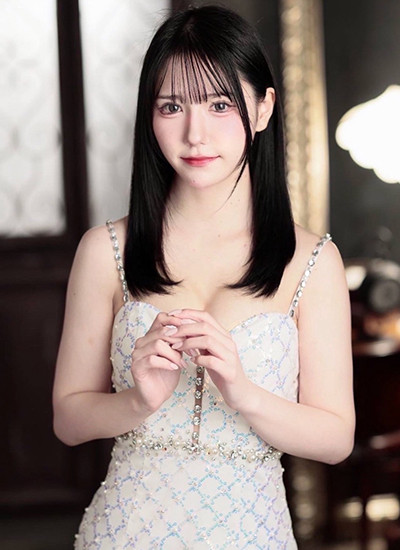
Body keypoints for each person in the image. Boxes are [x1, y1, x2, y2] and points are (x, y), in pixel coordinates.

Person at [53, 5, 355, 549]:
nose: (195, 134)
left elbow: (336, 438)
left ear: (263, 109)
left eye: (220, 104)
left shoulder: (312, 261)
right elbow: (68, 419)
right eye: (172, 106)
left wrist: (243, 391)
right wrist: (138, 401)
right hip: (125, 532)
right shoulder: (106, 251)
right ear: (150, 115)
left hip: (251, 533)